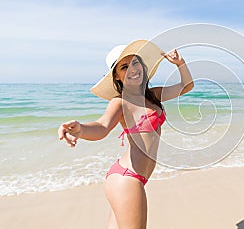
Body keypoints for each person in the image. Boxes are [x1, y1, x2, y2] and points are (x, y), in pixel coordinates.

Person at [58, 40, 194, 229]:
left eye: (135, 63)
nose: (132, 69)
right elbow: (101, 126)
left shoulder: (153, 95)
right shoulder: (120, 102)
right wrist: (80, 129)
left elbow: (187, 86)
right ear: (117, 77)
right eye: (124, 66)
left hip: (133, 178)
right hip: (127, 178)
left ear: (143, 67)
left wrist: (180, 64)